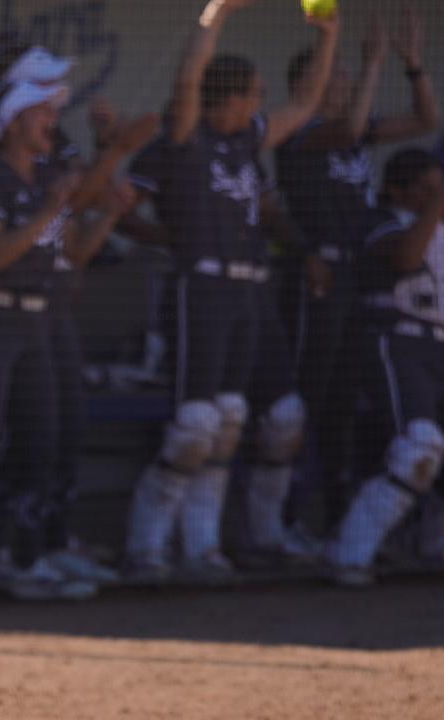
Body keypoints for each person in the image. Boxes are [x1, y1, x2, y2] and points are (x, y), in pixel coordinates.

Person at [122, 0, 337, 582]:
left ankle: (212, 546)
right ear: (230, 98)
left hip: (253, 292)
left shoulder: (247, 142)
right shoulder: (186, 136)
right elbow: (189, 78)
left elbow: (304, 106)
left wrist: (328, 38)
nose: (261, 103)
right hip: (204, 287)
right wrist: (214, 15)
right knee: (196, 427)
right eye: (253, 94)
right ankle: (146, 549)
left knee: (254, 417)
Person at [0, 72, 137, 601]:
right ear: (13, 121)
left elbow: (77, 252)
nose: (51, 124)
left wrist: (108, 212)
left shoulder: (45, 177)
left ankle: (23, 555)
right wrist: (49, 207)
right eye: (40, 113)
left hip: (40, 320)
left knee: (42, 439)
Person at [273, 6, 437, 536]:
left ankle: (337, 513)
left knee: (344, 400)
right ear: (307, 82)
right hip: (317, 274)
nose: (342, 81)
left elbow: (426, 120)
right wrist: (370, 65)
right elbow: (345, 128)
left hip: (359, 277)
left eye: (347, 75)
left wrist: (410, 64)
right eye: (333, 74)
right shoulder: (300, 132)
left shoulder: (355, 129)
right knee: (308, 393)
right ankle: (283, 515)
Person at [326, 150, 444, 586]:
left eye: (438, 187)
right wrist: (436, 205)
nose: (434, 197)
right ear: (397, 191)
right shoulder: (379, 221)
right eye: (424, 189)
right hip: (396, 344)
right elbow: (403, 258)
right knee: (419, 449)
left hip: (443, 356)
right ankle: (347, 554)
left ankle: (423, 542)